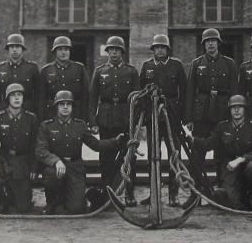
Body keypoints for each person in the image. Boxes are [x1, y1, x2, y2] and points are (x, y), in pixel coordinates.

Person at [35, 90, 125, 215]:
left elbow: (96, 145)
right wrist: (55, 161)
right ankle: (53, 201)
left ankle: (72, 198)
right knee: (51, 175)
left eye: (68, 104)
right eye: (62, 104)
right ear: (56, 106)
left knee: (77, 209)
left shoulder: (80, 126)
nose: (65, 107)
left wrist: (115, 141)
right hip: (56, 168)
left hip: (75, 168)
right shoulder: (47, 126)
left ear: (72, 107)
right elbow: (41, 150)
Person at [188, 95, 252, 209]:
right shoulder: (222, 126)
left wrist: (241, 159)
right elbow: (209, 143)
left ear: (245, 109)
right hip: (230, 168)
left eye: (240, 107)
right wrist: (193, 140)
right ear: (229, 110)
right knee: (232, 203)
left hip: (247, 165)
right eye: (233, 107)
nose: (236, 110)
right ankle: (235, 195)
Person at [89, 36, 140, 206]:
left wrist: (137, 123)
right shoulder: (99, 71)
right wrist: (93, 122)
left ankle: (130, 193)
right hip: (105, 118)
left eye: (117, 50)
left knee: (129, 157)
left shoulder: (131, 71)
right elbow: (92, 98)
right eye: (111, 49)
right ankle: (108, 193)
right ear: (107, 52)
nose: (114, 52)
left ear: (122, 52)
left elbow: (137, 99)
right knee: (106, 158)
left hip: (126, 118)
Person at [185, 28, 239, 184]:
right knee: (197, 153)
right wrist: (189, 118)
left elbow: (234, 92)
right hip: (201, 114)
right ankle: (197, 191)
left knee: (221, 153)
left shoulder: (229, 63)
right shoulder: (196, 64)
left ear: (218, 43)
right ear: (203, 44)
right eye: (207, 42)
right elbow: (190, 92)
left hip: (222, 114)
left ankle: (221, 189)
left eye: (213, 41)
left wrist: (233, 116)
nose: (210, 44)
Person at [139, 34, 188, 206]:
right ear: (153, 50)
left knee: (174, 153)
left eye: (162, 47)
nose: (160, 50)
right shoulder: (147, 66)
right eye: (157, 47)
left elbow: (185, 92)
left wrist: (182, 115)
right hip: (153, 116)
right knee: (153, 155)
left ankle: (173, 194)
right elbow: (141, 94)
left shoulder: (176, 65)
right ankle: (154, 193)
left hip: (172, 115)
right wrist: (144, 118)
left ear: (167, 49)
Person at [0, 83, 40, 215]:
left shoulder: (31, 119)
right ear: (7, 99)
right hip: (4, 159)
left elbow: (35, 145)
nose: (16, 98)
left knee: (23, 207)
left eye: (19, 95)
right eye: (13, 95)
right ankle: (1, 200)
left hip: (22, 162)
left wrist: (34, 167)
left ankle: (13, 195)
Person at [38, 36, 90, 122]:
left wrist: (85, 119)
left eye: (66, 49)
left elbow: (85, 96)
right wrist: (41, 120)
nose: (63, 52)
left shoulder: (79, 68)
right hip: (52, 114)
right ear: (55, 52)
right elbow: (41, 99)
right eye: (60, 49)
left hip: (75, 115)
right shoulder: (46, 70)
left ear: (69, 51)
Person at [0, 33, 39, 115]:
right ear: (8, 49)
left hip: (27, 113)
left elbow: (38, 95)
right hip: (5, 113)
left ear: (22, 49)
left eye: (17, 47)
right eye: (12, 47)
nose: (14, 50)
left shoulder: (32, 68)